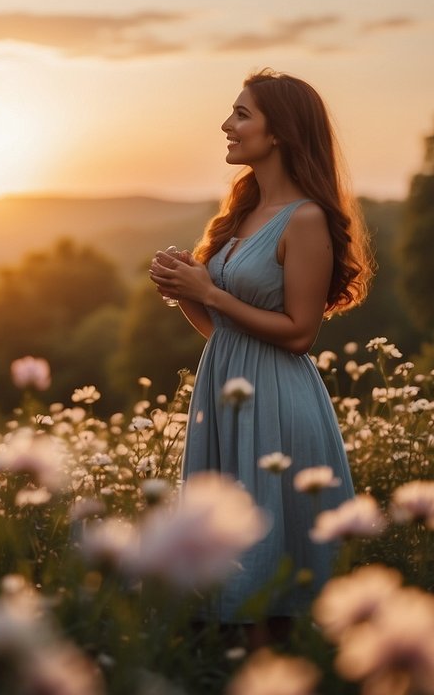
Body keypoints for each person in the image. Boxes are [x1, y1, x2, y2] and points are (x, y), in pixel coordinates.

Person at [148, 69, 373, 635]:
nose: (227, 125)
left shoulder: (306, 219)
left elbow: (300, 333)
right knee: (220, 555)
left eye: (242, 114)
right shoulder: (243, 216)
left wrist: (210, 290)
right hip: (225, 389)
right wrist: (185, 294)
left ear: (281, 133)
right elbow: (222, 331)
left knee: (271, 556)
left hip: (277, 399)